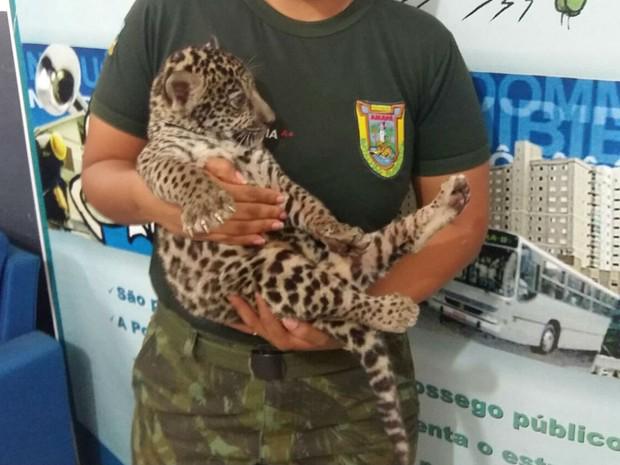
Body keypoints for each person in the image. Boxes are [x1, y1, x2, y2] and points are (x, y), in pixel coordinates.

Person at [82, 0, 490, 464]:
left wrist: (350, 315)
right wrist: (168, 204)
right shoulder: (169, 12)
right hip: (191, 384)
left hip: (352, 390)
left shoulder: (419, 44)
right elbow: (101, 172)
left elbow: (463, 223)